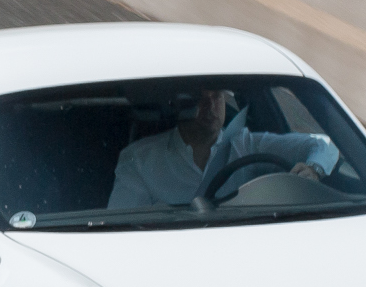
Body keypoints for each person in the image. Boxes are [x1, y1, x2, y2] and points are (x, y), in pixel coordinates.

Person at [106, 88, 340, 209]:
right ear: (181, 106)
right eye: (200, 99)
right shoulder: (140, 159)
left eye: (216, 97)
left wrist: (314, 169)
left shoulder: (246, 143)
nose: (211, 106)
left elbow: (323, 144)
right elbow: (118, 225)